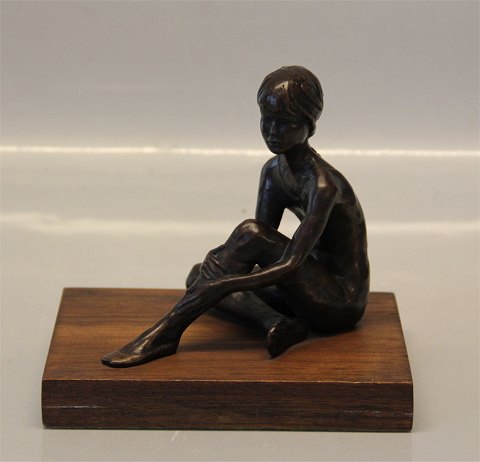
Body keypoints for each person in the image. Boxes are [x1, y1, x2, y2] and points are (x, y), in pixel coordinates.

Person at [102, 65, 369, 368]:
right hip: (301, 291)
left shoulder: (323, 185)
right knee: (198, 275)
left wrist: (227, 284)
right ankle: (276, 323)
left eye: (284, 122)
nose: (272, 130)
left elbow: (289, 261)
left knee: (225, 267)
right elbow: (259, 246)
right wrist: (223, 271)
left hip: (339, 302)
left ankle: (165, 333)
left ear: (309, 124)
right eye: (266, 118)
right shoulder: (273, 172)